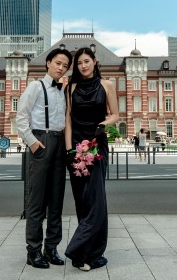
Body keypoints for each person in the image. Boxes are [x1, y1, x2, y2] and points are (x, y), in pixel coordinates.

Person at [16, 47, 72, 269]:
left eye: (65, 66)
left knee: (56, 201)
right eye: (58, 63)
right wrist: (32, 142)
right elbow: (21, 118)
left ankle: (51, 248)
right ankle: (33, 251)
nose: (61, 68)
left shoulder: (62, 90)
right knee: (37, 201)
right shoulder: (35, 87)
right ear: (48, 63)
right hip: (41, 140)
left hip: (59, 144)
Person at [64, 46, 119, 271]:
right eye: (79, 63)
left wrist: (103, 125)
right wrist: (69, 150)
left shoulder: (107, 85)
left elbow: (115, 114)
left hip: (96, 146)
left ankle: (83, 251)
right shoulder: (71, 87)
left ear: (95, 61)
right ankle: (85, 253)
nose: (83, 66)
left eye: (86, 61)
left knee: (96, 200)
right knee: (82, 200)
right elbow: (67, 119)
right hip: (76, 147)